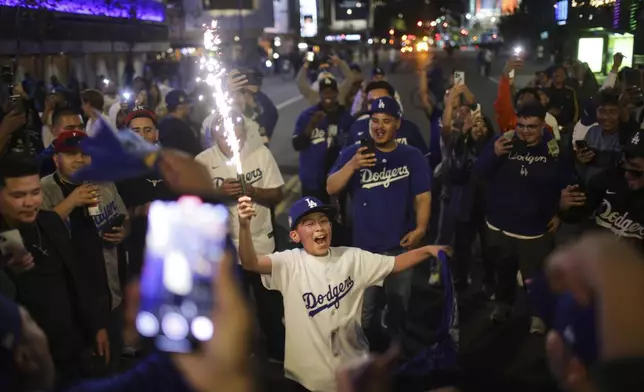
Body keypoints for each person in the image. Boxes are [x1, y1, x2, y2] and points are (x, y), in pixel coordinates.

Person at [236, 194, 448, 391]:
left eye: (323, 221)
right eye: (309, 223)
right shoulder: (289, 262)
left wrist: (428, 250)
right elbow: (250, 262)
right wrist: (244, 226)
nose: (319, 227)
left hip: (353, 372)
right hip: (306, 378)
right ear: (294, 235)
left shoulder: (351, 257)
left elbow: (395, 263)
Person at [327, 96, 432, 347]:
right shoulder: (354, 153)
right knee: (364, 314)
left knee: (398, 308)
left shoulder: (411, 156)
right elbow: (331, 187)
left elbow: (423, 196)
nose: (379, 126)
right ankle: (365, 359)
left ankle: (395, 357)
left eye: (386, 121)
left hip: (400, 248)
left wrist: (421, 228)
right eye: (375, 120)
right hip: (365, 251)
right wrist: (352, 165)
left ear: (398, 123)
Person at [0, 153, 108, 387]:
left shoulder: (50, 222)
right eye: (18, 195)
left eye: (35, 192)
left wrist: (96, 326)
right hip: (24, 362)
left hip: (72, 349)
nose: (30, 203)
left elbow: (76, 278)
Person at [474, 102, 573, 334]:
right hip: (499, 228)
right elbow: (479, 172)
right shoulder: (503, 143)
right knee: (503, 273)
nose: (525, 131)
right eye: (521, 125)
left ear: (543, 126)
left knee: (537, 278)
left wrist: (560, 214)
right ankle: (503, 305)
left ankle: (538, 314)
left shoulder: (556, 152)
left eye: (531, 126)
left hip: (534, 232)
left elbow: (566, 188)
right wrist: (494, 155)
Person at [196, 111, 286, 362]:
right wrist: (217, 191)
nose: (228, 135)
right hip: (224, 249)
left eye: (235, 129)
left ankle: (278, 354)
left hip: (261, 244)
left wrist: (253, 190)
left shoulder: (260, 153)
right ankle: (240, 355)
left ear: (244, 132)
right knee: (234, 306)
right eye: (221, 130)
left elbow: (278, 194)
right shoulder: (202, 161)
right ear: (212, 133)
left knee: (269, 303)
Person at [40, 130, 130, 374]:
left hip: (109, 291)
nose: (80, 159)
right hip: (70, 302)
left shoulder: (103, 181)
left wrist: (123, 231)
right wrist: (71, 202)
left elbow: (125, 217)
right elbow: (38, 236)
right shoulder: (44, 189)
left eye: (85, 154)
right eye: (70, 154)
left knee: (112, 364)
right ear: (56, 159)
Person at [560, 129, 644, 249]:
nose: (626, 174)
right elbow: (580, 212)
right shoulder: (610, 176)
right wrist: (565, 206)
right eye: (624, 164)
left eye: (635, 171)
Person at [116, 107, 175, 276]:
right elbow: (116, 214)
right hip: (137, 247)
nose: (142, 135)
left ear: (156, 134)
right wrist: (139, 210)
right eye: (135, 131)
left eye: (147, 130)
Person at [292, 78, 354, 202]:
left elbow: (352, 146)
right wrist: (311, 125)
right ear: (319, 94)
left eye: (331, 92)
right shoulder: (307, 115)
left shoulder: (345, 117)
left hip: (337, 179)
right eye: (324, 92)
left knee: (336, 218)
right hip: (312, 181)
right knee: (313, 216)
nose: (328, 95)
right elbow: (297, 144)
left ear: (337, 93)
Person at [345, 81, 428, 157]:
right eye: (371, 102)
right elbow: (343, 164)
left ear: (394, 101)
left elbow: (425, 161)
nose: (378, 105)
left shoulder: (409, 128)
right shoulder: (356, 128)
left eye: (383, 100)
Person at [158, 89, 202, 157]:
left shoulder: (161, 125)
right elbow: (197, 154)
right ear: (180, 107)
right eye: (187, 104)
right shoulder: (185, 128)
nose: (189, 106)